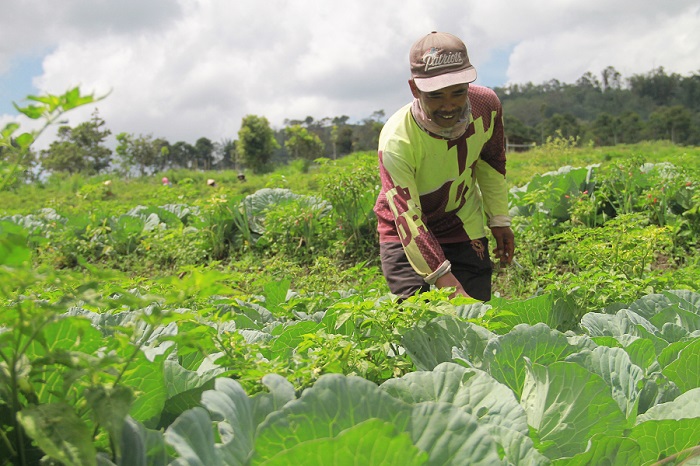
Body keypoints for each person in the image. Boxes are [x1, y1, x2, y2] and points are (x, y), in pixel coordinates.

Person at [374, 31, 515, 301]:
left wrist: (499, 220)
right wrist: (441, 276)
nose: (449, 105)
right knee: (416, 319)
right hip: (403, 231)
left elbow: (491, 163)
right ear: (415, 89)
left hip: (461, 222)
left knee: (475, 317)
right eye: (435, 95)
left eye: (458, 92)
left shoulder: (486, 106)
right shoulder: (396, 140)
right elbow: (409, 218)